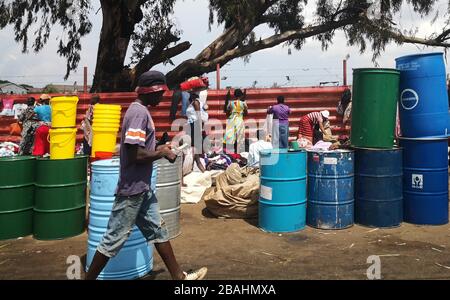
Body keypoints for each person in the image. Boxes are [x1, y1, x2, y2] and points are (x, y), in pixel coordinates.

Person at [86, 70, 207, 280]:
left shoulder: (139, 111)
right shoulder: (139, 113)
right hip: (132, 190)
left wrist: (160, 146)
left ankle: (179, 277)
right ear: (152, 91)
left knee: (158, 231)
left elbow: (141, 147)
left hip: (142, 188)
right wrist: (161, 152)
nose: (162, 97)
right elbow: (134, 153)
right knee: (113, 239)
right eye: (161, 93)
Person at [186, 91, 206, 173]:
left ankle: (200, 167)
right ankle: (198, 167)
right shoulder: (192, 103)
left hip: (195, 126)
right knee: (193, 147)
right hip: (192, 125)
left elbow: (198, 116)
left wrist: (200, 129)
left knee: (194, 147)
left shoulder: (196, 102)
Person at [223, 89, 248, 154]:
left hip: (231, 120)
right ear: (241, 95)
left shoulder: (230, 103)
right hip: (239, 120)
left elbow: (227, 112)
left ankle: (230, 153)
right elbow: (246, 113)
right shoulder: (243, 103)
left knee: (230, 137)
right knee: (239, 137)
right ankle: (238, 153)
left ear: (234, 95)